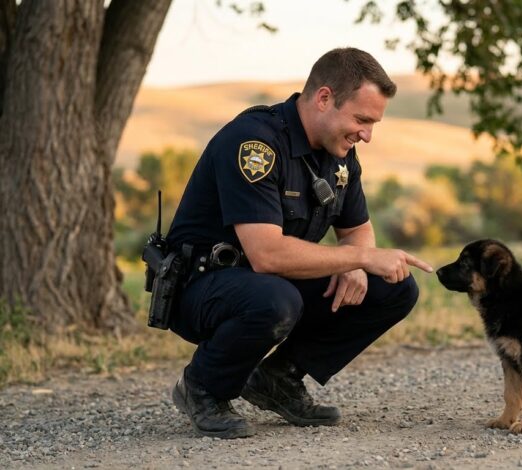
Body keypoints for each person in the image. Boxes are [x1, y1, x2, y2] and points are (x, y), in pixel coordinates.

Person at [165, 47, 433, 439]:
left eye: (373, 124)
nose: (367, 135)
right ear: (324, 98)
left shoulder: (339, 155)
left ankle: (278, 378)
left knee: (393, 286)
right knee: (275, 300)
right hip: (204, 288)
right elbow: (267, 254)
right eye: (361, 119)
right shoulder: (254, 143)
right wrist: (355, 258)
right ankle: (203, 387)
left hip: (268, 285)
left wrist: (356, 262)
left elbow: (356, 228)